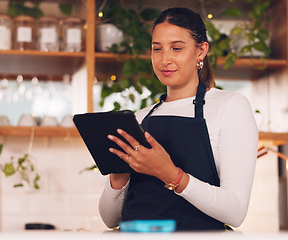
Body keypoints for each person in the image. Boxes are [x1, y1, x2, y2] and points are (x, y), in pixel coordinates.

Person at [99, 7, 258, 231]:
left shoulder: (230, 107)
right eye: (157, 49)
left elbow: (236, 211)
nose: (165, 59)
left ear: (201, 51)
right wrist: (119, 178)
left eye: (176, 48)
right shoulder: (140, 117)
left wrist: (170, 174)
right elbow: (110, 219)